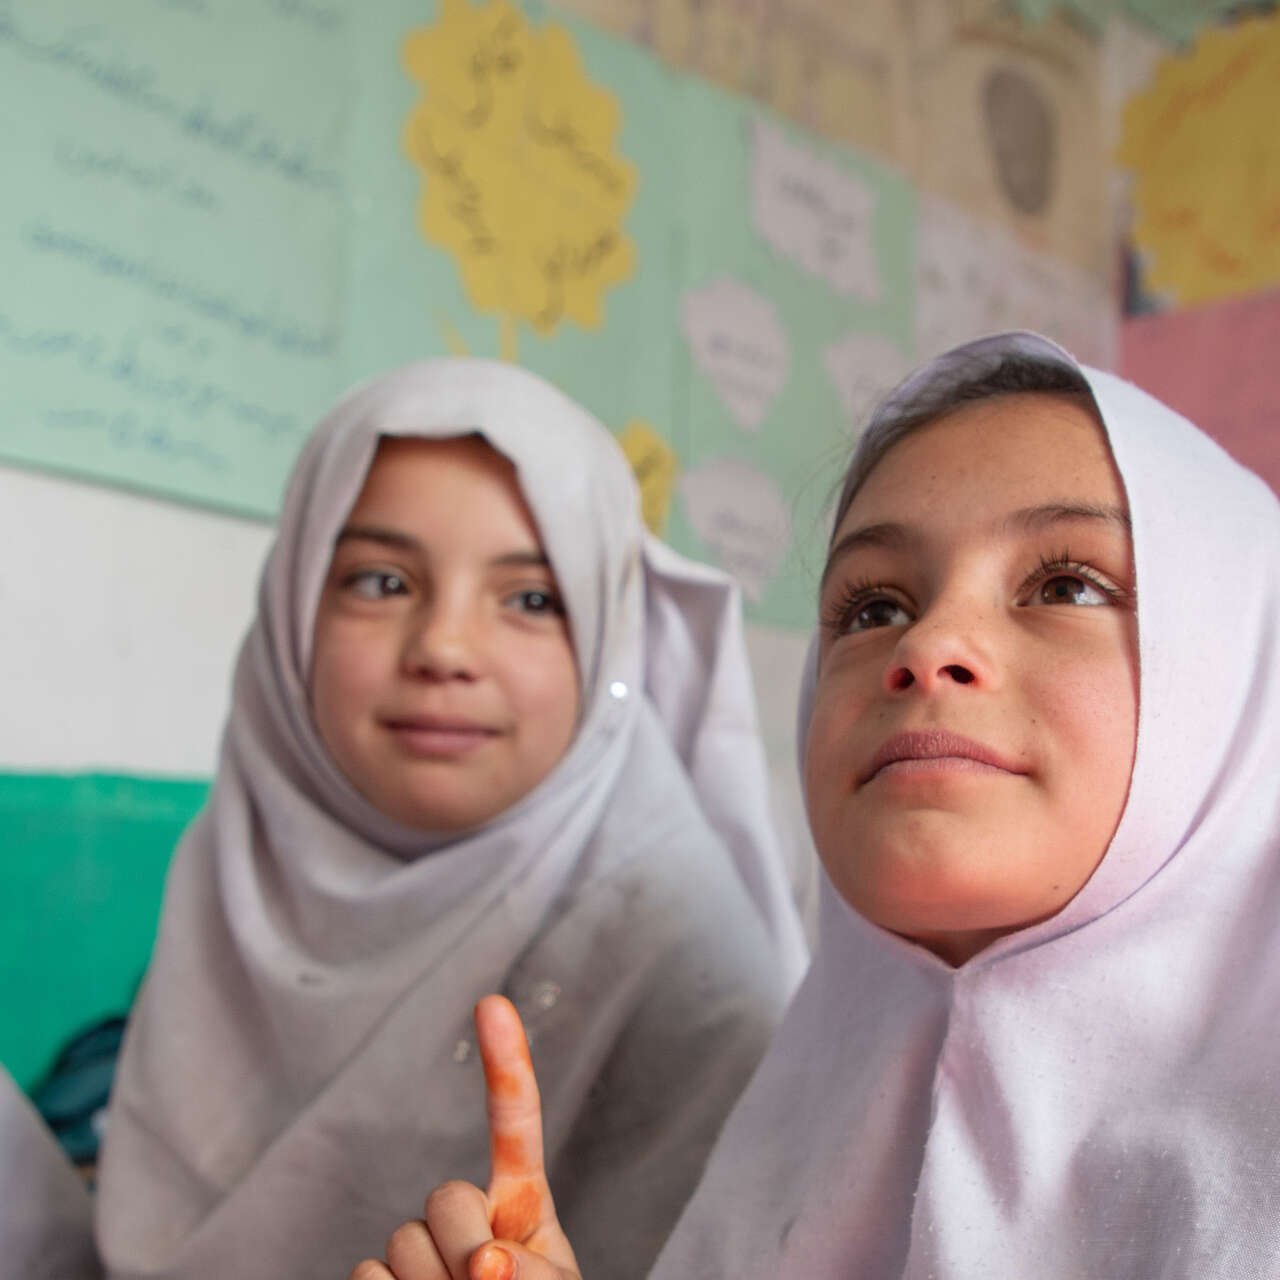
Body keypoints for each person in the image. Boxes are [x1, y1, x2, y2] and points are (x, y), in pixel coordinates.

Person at [361, 330, 1280, 1278]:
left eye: (1067, 586)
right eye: (873, 606)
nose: (928, 645)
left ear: (1246, 678)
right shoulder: (798, 1146)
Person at [87, 358, 806, 1280]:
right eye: (381, 583)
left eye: (531, 600)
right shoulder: (242, 865)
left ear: (608, 639)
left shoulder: (690, 963)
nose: (444, 649)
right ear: (291, 614)